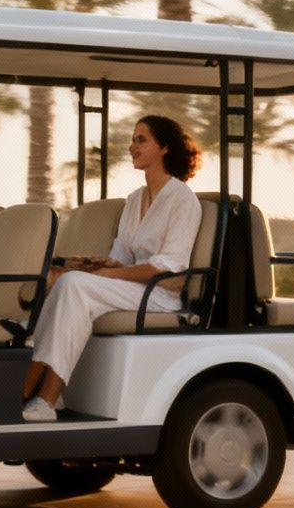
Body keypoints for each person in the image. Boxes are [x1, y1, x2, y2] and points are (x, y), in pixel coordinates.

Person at [21, 115, 202, 422]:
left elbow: (169, 268)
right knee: (65, 281)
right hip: (131, 288)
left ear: (165, 148)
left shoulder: (182, 200)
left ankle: (43, 396)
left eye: (141, 140)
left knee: (74, 286)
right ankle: (46, 389)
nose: (132, 146)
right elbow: (122, 253)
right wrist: (99, 265)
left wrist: (107, 275)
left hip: (160, 296)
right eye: (132, 139)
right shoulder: (134, 200)